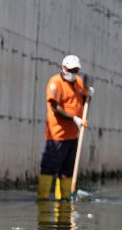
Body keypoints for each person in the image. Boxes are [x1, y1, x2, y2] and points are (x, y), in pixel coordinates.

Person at [38, 55, 93, 200]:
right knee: (49, 168)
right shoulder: (55, 83)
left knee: (67, 171)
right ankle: (43, 199)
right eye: (71, 70)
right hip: (57, 136)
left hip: (73, 136)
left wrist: (88, 93)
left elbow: (82, 96)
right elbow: (55, 107)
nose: (73, 73)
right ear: (63, 68)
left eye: (76, 70)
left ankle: (64, 200)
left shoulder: (78, 82)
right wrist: (74, 118)